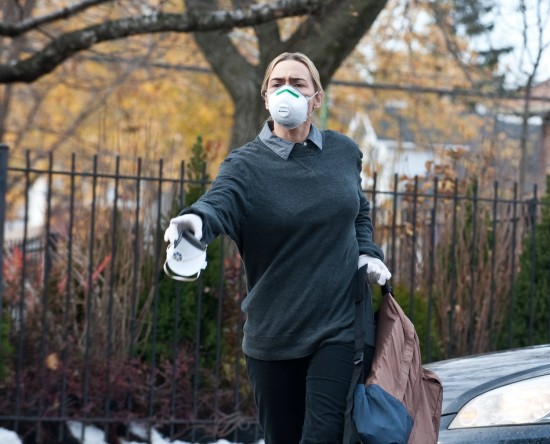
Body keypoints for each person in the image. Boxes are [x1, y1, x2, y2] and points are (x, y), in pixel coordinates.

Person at [163, 52, 391, 444]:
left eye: (299, 83)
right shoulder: (245, 166)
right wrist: (196, 222)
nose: (288, 89)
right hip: (274, 335)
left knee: (324, 437)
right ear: (265, 97)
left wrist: (367, 251)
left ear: (316, 98)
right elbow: (221, 201)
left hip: (338, 328)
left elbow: (358, 208)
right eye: (277, 82)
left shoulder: (343, 152)